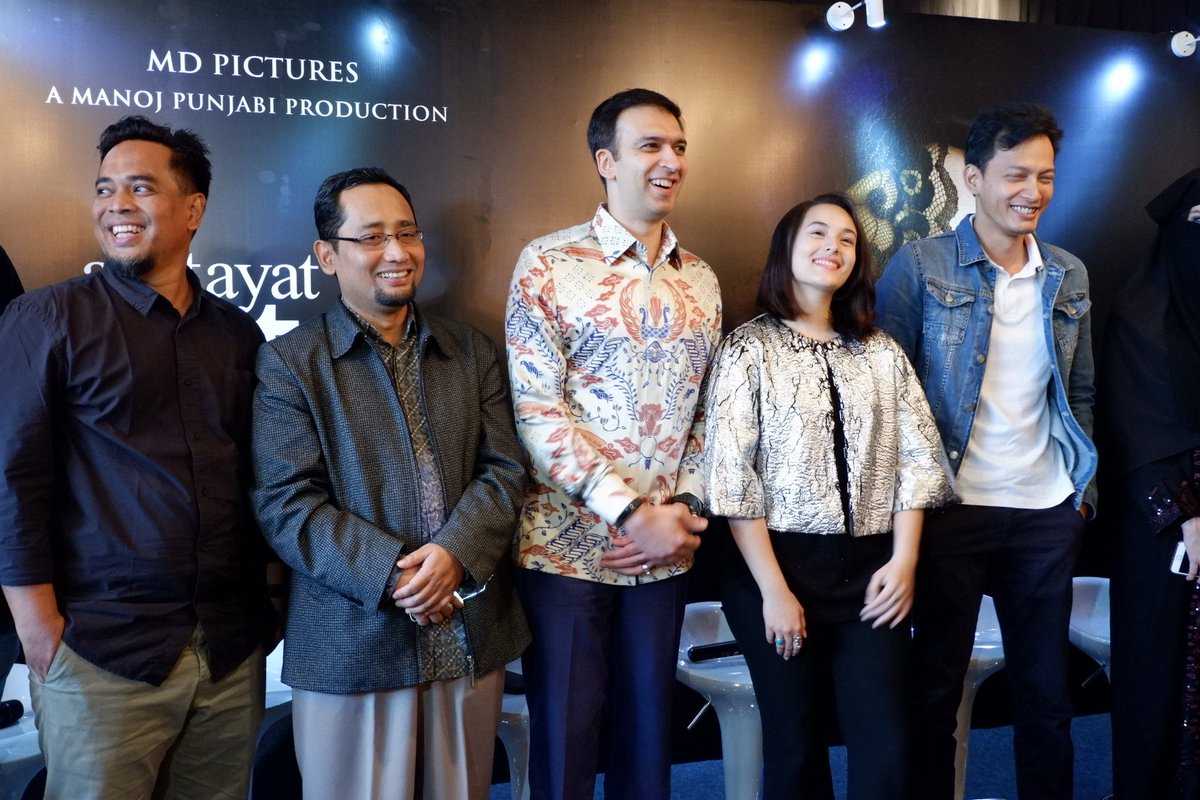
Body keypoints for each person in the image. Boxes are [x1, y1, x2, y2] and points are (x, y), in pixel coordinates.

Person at [0, 115, 271, 799]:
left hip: (228, 649)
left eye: (140, 188)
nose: (116, 204)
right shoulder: (48, 318)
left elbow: (257, 479)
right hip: (101, 650)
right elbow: (13, 477)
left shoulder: (238, 334)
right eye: (104, 188)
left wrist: (266, 608)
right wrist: (38, 630)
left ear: (193, 209)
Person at [252, 167, 530, 800]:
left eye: (407, 233)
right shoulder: (291, 362)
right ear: (327, 255)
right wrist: (397, 576)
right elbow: (287, 502)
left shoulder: (469, 350)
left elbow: (505, 468)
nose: (398, 252)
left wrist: (454, 556)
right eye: (372, 236)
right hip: (353, 641)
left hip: (467, 629)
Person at [876, 102, 1097, 800]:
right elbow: (886, 393)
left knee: (1047, 696)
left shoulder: (1067, 273)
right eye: (1015, 175)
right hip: (952, 509)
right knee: (935, 692)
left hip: (1045, 510)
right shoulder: (920, 264)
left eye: (1046, 176)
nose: (1033, 191)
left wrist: (1080, 496)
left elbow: (1080, 391)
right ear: (973, 179)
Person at [505, 88, 722, 799]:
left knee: (649, 748)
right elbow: (536, 412)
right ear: (606, 161)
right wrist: (632, 515)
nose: (671, 161)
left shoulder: (702, 279)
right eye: (650, 146)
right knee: (565, 747)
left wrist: (683, 511)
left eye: (679, 147)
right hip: (568, 549)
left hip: (666, 556)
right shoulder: (547, 263)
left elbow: (707, 414)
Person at [704, 194, 953, 800]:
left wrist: (904, 561)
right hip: (773, 572)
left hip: (873, 572)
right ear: (787, 248)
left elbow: (918, 460)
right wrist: (775, 591)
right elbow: (733, 479)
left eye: (846, 239)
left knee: (886, 741)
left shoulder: (881, 351)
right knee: (794, 743)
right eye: (818, 233)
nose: (833, 248)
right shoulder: (748, 348)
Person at [1104, 167, 1200, 799]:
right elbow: (1133, 426)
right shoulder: (1140, 314)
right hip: (1164, 523)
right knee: (1160, 668)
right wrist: (1186, 515)